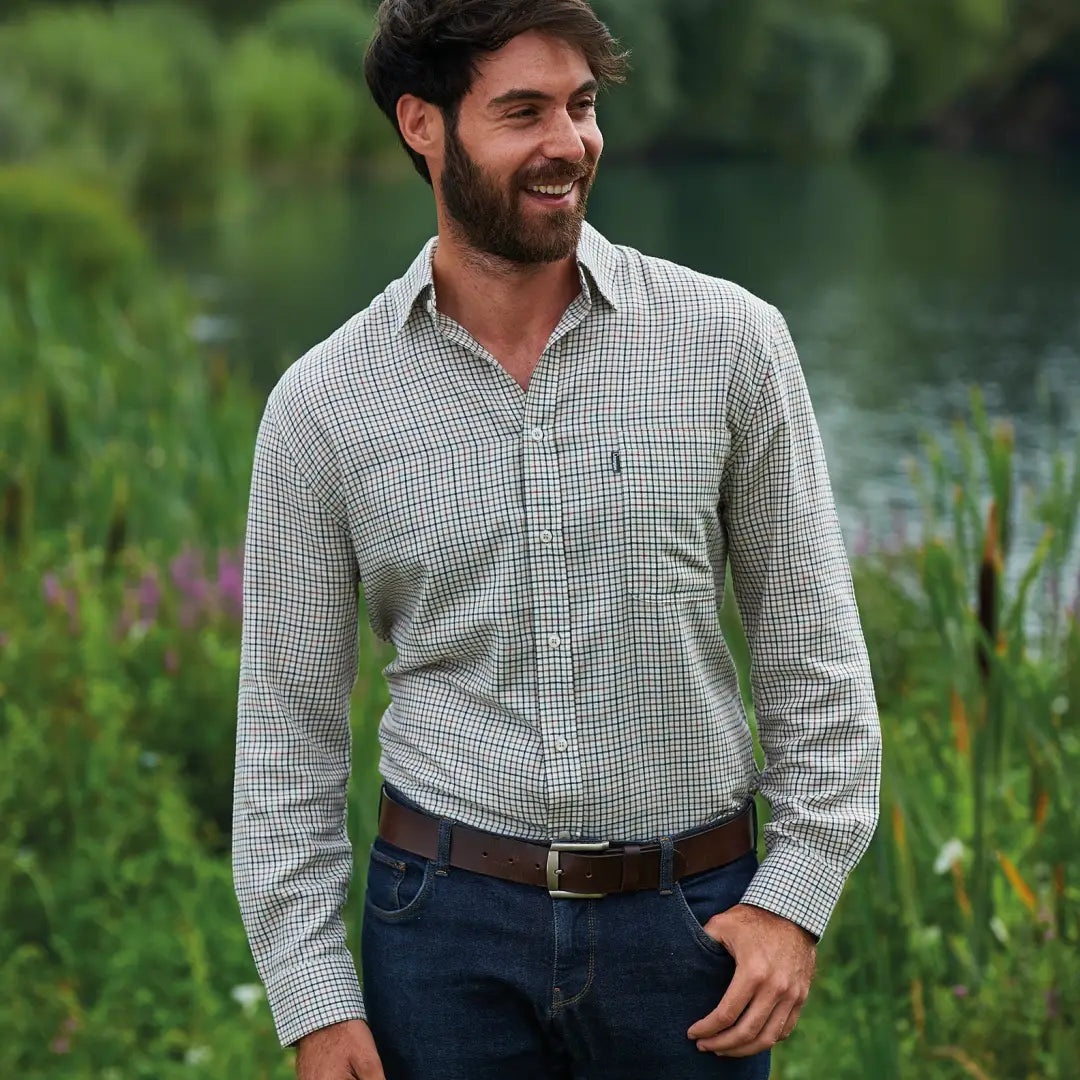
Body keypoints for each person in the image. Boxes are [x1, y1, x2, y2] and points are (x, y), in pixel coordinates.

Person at [232, 1, 882, 1077]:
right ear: (422, 125)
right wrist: (314, 1001)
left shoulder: (731, 344)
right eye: (523, 111)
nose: (570, 144)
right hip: (440, 938)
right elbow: (286, 738)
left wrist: (795, 900)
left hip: (691, 935)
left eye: (581, 107)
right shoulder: (322, 407)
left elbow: (813, 650)